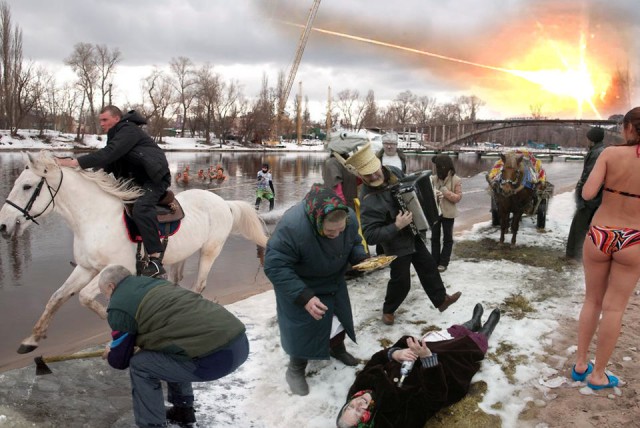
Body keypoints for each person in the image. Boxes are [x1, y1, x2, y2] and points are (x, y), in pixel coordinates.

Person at [98, 264, 249, 428]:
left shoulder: (119, 305)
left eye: (104, 294)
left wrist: (111, 351)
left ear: (111, 286)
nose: (107, 299)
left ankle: (152, 424)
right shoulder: (155, 284)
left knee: (140, 365)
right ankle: (183, 411)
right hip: (240, 344)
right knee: (170, 347)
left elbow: (120, 361)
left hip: (214, 360)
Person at [264, 184, 368, 396]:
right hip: (302, 285)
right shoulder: (292, 226)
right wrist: (304, 296)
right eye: (330, 231)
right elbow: (274, 265)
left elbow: (355, 241)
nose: (336, 234)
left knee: (338, 320)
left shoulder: (347, 218)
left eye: (340, 230)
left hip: (333, 281)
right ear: (317, 220)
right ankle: (296, 369)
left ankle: (337, 349)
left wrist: (359, 257)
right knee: (303, 329)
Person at [346, 143, 461, 325]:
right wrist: (396, 226)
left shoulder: (393, 172)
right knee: (401, 282)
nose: (375, 176)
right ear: (361, 176)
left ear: (379, 164)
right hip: (395, 243)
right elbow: (370, 236)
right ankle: (388, 310)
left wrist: (432, 196)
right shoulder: (367, 200)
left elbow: (413, 189)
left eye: (376, 171)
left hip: (412, 233)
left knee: (429, 266)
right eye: (369, 175)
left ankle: (441, 300)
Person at [336, 303, 501, 428]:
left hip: (410, 357)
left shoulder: (357, 390)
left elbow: (375, 361)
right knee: (462, 350)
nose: (357, 403)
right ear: (368, 421)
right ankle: (486, 330)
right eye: (359, 412)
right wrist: (429, 361)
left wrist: (394, 353)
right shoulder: (396, 420)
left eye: (350, 406)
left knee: (445, 336)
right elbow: (435, 398)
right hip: (438, 373)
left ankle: (473, 322)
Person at [55, 106, 171, 277]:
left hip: (153, 179)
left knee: (141, 208)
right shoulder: (116, 134)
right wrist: (87, 175)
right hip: (135, 180)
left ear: (117, 118)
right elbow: (109, 162)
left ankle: (155, 260)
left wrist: (75, 163)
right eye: (100, 120)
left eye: (105, 120)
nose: (101, 124)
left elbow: (109, 154)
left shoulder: (128, 130)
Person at [572, 107, 640, 390]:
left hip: (600, 233)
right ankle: (598, 375)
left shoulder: (610, 153)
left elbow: (587, 193)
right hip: (633, 238)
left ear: (627, 128)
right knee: (614, 309)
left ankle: (580, 364)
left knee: (592, 301)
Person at [565, 127, 606, 261]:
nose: (586, 140)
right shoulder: (600, 151)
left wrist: (581, 196)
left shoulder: (596, 153)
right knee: (586, 225)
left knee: (579, 225)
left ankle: (573, 256)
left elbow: (590, 176)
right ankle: (578, 254)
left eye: (588, 138)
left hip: (590, 197)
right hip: (596, 196)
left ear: (592, 140)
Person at [430, 154, 462, 272]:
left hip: (449, 214)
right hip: (435, 213)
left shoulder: (456, 180)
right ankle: (434, 261)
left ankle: (443, 262)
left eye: (440, 167)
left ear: (447, 167)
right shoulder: (433, 179)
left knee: (447, 239)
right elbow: (427, 194)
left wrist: (445, 192)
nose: (438, 170)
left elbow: (458, 198)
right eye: (437, 167)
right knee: (434, 238)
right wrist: (434, 194)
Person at [322, 132, 367, 209]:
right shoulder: (332, 163)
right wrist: (343, 210)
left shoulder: (346, 161)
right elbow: (337, 191)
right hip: (343, 210)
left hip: (353, 206)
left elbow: (356, 181)